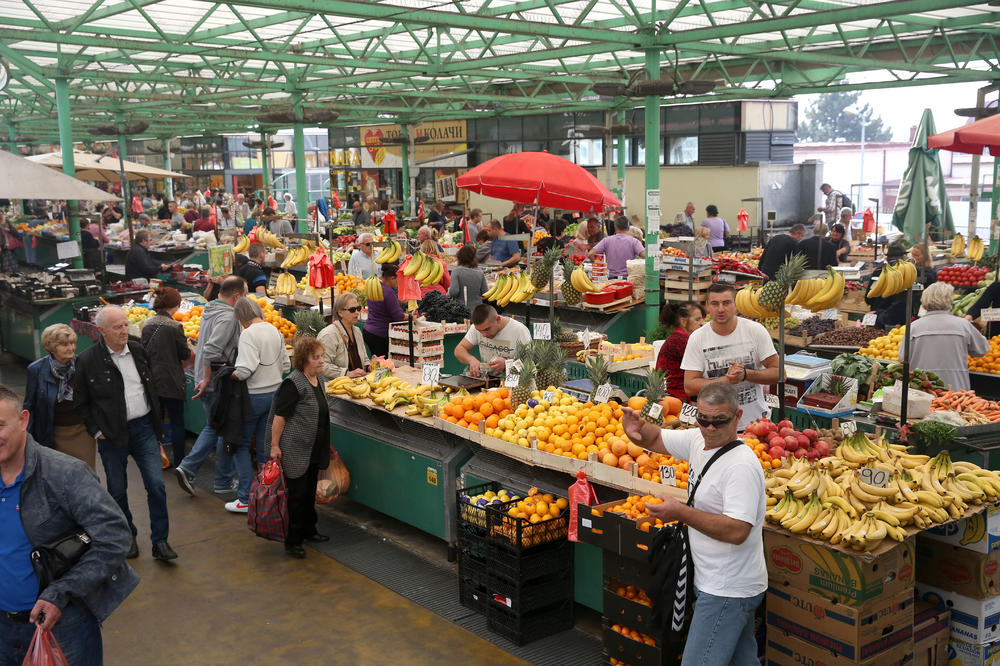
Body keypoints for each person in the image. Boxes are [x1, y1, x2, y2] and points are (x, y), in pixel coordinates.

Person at [622, 382, 766, 666]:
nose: (710, 428)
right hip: (722, 582)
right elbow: (655, 439)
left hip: (727, 589)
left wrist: (680, 513)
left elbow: (738, 530)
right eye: (703, 420)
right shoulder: (699, 441)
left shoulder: (741, 467)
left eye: (719, 422)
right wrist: (637, 429)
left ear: (737, 418)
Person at [0, 385, 139, 665]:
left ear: (23, 420)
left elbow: (114, 537)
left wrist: (61, 592)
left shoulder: (65, 474)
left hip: (61, 625)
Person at [73, 306, 177, 561]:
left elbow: (151, 389)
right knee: (117, 490)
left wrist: (157, 424)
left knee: (156, 486)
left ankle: (160, 541)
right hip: (112, 434)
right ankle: (127, 535)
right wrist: (97, 431)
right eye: (117, 327)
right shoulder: (87, 361)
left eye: (125, 324)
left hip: (143, 429)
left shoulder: (139, 351)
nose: (124, 331)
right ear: (101, 331)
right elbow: (81, 402)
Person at [173, 276, 245, 498]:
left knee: (216, 427)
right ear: (236, 296)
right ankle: (197, 470)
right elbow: (213, 350)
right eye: (245, 295)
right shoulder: (229, 317)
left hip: (206, 378)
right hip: (217, 382)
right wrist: (207, 380)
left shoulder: (210, 308)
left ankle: (216, 477)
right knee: (220, 429)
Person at [266, 337, 331, 559]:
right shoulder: (293, 384)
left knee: (309, 491)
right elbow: (279, 417)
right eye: (316, 358)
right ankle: (292, 541)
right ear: (304, 360)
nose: (321, 361)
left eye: (322, 356)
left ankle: (309, 530)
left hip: (313, 447)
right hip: (294, 448)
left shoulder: (318, 380)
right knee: (297, 495)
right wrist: (274, 445)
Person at [682, 283, 780, 430]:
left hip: (756, 425)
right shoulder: (698, 338)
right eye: (715, 304)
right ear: (707, 306)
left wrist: (745, 374)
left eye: (726, 303)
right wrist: (726, 380)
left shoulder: (755, 331)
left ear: (736, 305)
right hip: (715, 426)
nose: (721, 309)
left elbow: (779, 373)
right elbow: (689, 386)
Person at [228, 297, 290, 512]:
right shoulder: (274, 330)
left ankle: (245, 498)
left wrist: (230, 375)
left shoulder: (247, 334)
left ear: (241, 318)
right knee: (266, 448)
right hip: (276, 394)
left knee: (241, 446)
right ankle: (268, 494)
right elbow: (285, 364)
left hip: (253, 397)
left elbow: (245, 370)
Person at [23, 324, 94, 469]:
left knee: (85, 478)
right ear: (51, 347)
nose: (71, 348)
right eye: (64, 344)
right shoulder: (36, 370)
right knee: (56, 479)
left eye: (73, 343)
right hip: (51, 434)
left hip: (82, 432)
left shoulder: (84, 365)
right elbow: (29, 407)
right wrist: (27, 440)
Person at [140, 287, 193, 469]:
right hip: (171, 380)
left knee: (156, 422)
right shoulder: (175, 326)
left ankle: (156, 459)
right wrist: (186, 344)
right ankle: (179, 463)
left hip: (152, 379)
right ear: (176, 305)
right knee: (177, 422)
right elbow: (184, 354)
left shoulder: (147, 324)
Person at [907, 282, 989, 391]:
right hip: (956, 392)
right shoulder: (963, 325)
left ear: (924, 300)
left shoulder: (913, 327)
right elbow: (982, 349)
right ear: (950, 299)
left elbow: (903, 357)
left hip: (921, 390)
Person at [866, 242, 936, 329]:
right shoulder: (914, 274)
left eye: (916, 255)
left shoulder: (878, 272)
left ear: (887, 258)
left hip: (880, 320)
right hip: (899, 322)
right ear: (904, 258)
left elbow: (868, 299)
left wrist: (877, 314)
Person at [455, 304, 531, 378]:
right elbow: (459, 350)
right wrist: (471, 360)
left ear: (498, 319)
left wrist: (507, 364)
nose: (484, 334)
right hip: (487, 380)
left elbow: (531, 363)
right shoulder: (476, 328)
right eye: (479, 331)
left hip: (514, 383)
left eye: (487, 329)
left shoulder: (519, 330)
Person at [655, 302, 706, 402]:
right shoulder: (681, 340)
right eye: (697, 319)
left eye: (702, 318)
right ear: (683, 321)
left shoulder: (681, 337)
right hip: (676, 398)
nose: (702, 323)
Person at [318, 292, 370, 379]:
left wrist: (370, 366)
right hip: (336, 386)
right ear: (340, 313)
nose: (357, 312)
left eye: (358, 308)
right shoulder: (328, 335)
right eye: (352, 310)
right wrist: (346, 373)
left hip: (358, 383)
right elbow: (322, 365)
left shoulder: (357, 331)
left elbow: (364, 359)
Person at [363, 263, 406, 358]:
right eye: (398, 279)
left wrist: (399, 302)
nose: (399, 283)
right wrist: (412, 317)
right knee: (381, 366)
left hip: (368, 331)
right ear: (392, 278)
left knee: (374, 362)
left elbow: (382, 303)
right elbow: (399, 317)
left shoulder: (376, 287)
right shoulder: (389, 292)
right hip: (380, 335)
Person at [448, 244, 489, 310]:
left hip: (461, 309)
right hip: (477, 310)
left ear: (459, 257)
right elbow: (485, 293)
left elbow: (454, 292)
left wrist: (448, 292)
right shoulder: (480, 272)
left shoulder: (456, 271)